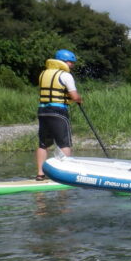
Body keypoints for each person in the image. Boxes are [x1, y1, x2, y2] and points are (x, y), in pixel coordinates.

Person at [36, 49, 83, 180]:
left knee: (43, 144)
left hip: (43, 111)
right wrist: (79, 99)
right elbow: (74, 96)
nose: (72, 65)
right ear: (64, 62)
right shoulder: (66, 75)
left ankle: (40, 174)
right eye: (71, 63)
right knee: (64, 143)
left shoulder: (43, 73)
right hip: (59, 112)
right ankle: (66, 175)